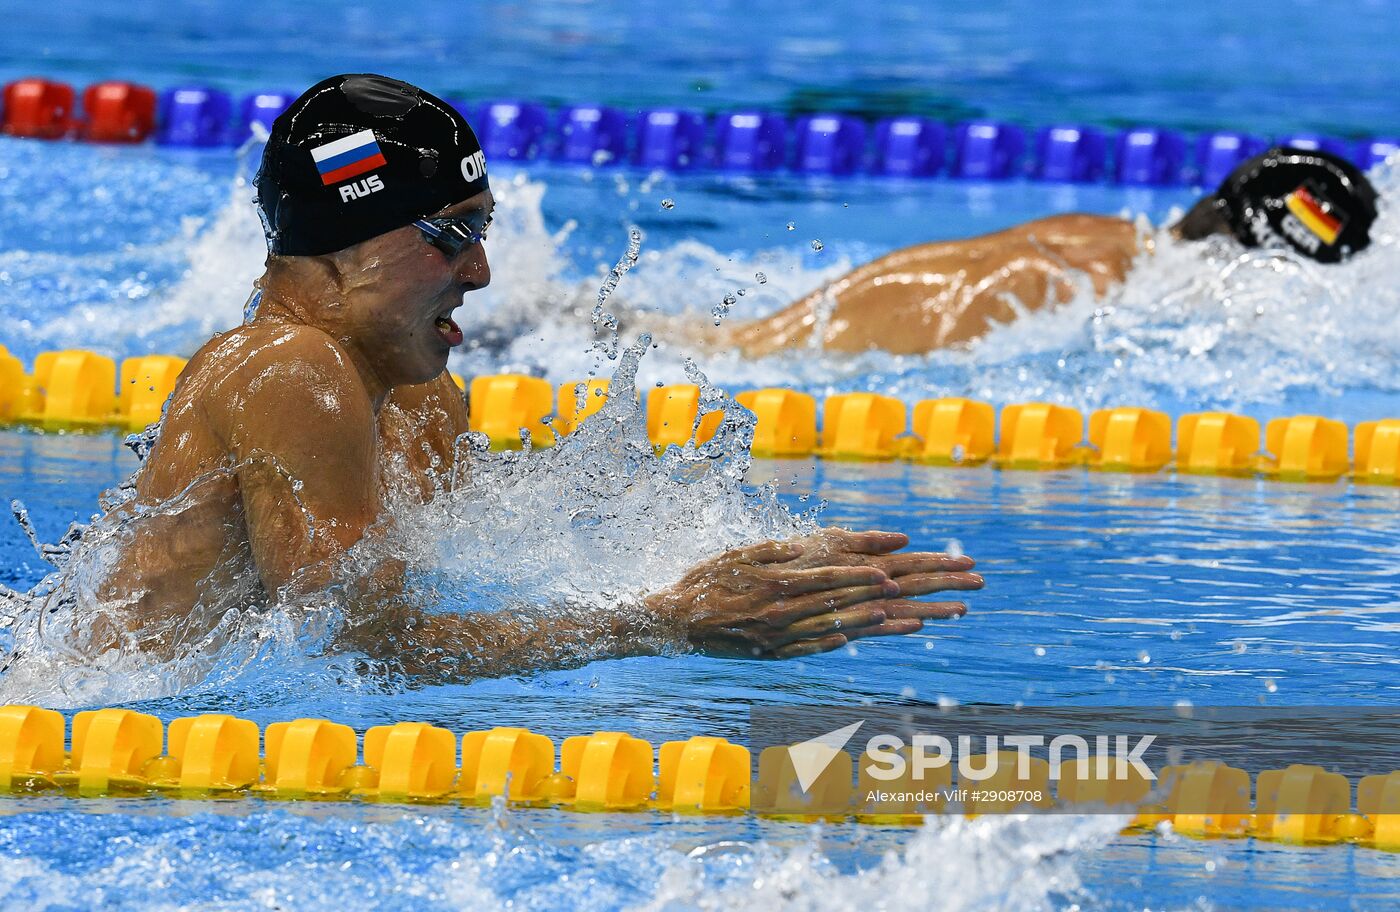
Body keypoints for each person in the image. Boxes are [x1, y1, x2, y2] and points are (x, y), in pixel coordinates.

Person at [91, 74, 982, 679]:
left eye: (484, 230)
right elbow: (354, 654)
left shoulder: (416, 392)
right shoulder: (292, 369)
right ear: (339, 245)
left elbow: (478, 571)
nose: (480, 274)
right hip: (94, 728)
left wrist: (731, 568)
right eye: (449, 235)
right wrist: (667, 622)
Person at [717, 147, 1380, 356]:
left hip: (781, 334)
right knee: (741, 351)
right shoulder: (1076, 281)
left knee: (724, 342)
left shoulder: (1107, 234)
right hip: (800, 363)